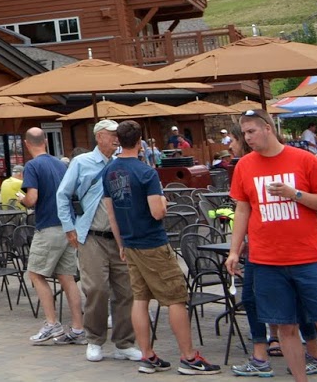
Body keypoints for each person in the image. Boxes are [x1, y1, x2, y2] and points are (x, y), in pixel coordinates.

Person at [225, 110, 317, 382]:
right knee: (285, 327)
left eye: (251, 132)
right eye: (244, 134)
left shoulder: (304, 160)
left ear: (268, 128)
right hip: (266, 260)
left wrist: (295, 195)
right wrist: (235, 250)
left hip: (307, 257)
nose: (246, 138)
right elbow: (243, 210)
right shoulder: (244, 165)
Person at [101, 120, 218, 374]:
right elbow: (157, 212)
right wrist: (164, 202)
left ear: (118, 140)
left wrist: (121, 244)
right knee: (176, 298)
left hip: (129, 243)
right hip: (152, 242)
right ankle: (188, 357)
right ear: (140, 141)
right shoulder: (146, 172)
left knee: (140, 299)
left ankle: (147, 355)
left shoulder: (109, 171)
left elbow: (111, 213)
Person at [56, 118, 140, 363]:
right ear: (98, 136)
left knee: (126, 291)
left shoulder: (121, 162)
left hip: (120, 237)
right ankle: (94, 339)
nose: (116, 138)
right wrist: (68, 227)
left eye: (118, 134)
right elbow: (62, 195)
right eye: (111, 134)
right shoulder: (82, 162)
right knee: (96, 289)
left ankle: (124, 342)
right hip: (91, 235)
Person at [19, 128, 86, 346]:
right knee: (67, 277)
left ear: (26, 144)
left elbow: (32, 198)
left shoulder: (32, 166)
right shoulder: (61, 164)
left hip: (47, 226)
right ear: (46, 141)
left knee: (36, 274)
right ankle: (78, 328)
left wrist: (22, 199)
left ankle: (51, 323)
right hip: (68, 226)